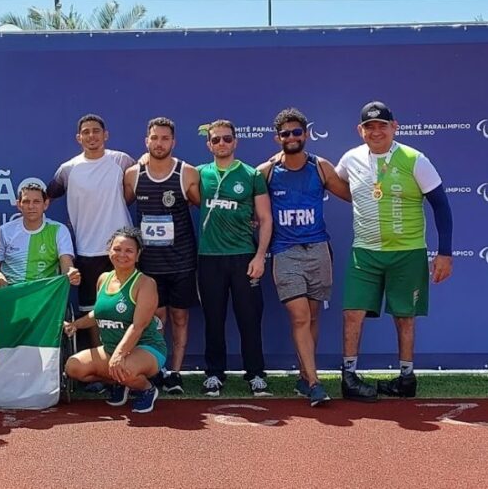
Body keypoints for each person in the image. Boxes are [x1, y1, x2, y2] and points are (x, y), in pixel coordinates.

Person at [334, 101, 453, 401]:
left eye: (382, 126)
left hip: (407, 252)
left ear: (394, 127)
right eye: (369, 127)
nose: (376, 132)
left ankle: (406, 379)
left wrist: (445, 253)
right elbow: (336, 183)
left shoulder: (415, 159)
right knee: (352, 313)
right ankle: (348, 378)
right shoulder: (350, 159)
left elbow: (441, 206)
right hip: (365, 251)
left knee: (404, 316)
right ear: (360, 130)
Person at [256, 108, 351, 407]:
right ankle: (314, 382)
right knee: (299, 317)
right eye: (285, 133)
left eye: (297, 132)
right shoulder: (266, 171)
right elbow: (249, 206)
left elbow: (351, 195)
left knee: (312, 316)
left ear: (306, 134)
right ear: (277, 138)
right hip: (285, 251)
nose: (292, 137)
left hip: (318, 249)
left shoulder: (320, 167)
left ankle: (303, 375)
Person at [123, 117, 200, 395]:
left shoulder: (187, 173)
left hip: (181, 261)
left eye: (165, 138)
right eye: (154, 138)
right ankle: (156, 370)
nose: (159, 143)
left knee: (180, 319)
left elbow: (207, 207)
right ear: (146, 141)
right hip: (149, 265)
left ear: (173, 142)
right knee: (154, 321)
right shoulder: (133, 174)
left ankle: (176, 373)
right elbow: (118, 205)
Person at [197, 119, 273, 397]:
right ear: (209, 144)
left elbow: (265, 218)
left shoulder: (251, 175)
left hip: (244, 257)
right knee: (213, 319)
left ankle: (255, 373)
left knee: (249, 319)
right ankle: (214, 373)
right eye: (216, 139)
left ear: (235, 142)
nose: (222, 143)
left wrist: (260, 256)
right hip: (209, 258)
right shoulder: (199, 173)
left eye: (227, 139)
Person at [47, 114, 134, 358]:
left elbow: (142, 178)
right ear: (79, 138)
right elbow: (46, 196)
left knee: (127, 307)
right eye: (86, 132)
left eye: (96, 131)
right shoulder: (68, 169)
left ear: (105, 135)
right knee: (92, 311)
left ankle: (126, 360)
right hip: (86, 251)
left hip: (122, 250)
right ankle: (101, 362)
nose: (91, 136)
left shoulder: (121, 160)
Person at [63, 227, 166, 413]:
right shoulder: (103, 278)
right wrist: (75, 325)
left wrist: (119, 356)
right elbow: (98, 314)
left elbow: (138, 326)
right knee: (73, 367)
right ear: (109, 251)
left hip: (146, 348)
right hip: (111, 349)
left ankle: (146, 388)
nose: (122, 255)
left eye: (129, 251)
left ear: (137, 255)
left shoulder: (145, 283)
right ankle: (119, 382)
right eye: (117, 249)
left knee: (125, 368)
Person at [0, 183, 80, 288]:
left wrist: (71, 274)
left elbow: (66, 264)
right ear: (19, 205)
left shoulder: (59, 230)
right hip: (12, 292)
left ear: (45, 204)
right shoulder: (5, 231)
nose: (31, 206)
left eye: (36, 201)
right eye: (26, 202)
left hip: (44, 293)